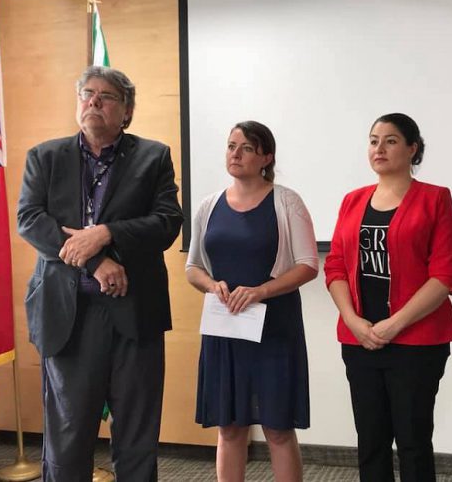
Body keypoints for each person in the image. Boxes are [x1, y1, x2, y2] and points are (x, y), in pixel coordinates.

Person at [17, 66, 183, 481]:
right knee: (68, 435)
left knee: (137, 437)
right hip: (68, 316)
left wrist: (106, 233)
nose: (94, 102)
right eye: (87, 94)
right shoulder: (45, 156)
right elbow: (30, 220)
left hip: (134, 315)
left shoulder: (153, 156)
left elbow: (167, 222)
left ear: (126, 111)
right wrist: (94, 258)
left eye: (106, 96)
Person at [324, 113, 452, 482]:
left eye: (391, 141)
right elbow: (335, 266)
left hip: (416, 343)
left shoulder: (435, 199)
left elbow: (445, 275)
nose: (379, 149)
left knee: (414, 442)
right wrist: (354, 321)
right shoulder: (352, 201)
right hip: (359, 340)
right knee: (371, 441)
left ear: (412, 149)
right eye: (373, 140)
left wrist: (393, 325)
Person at [186, 121, 318, 482]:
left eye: (245, 148)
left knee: (277, 427)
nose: (235, 153)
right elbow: (193, 268)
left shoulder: (286, 201)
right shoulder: (208, 205)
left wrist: (260, 291)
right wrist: (212, 286)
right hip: (224, 328)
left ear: (266, 157)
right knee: (229, 427)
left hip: (274, 328)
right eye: (231, 146)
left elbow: (308, 266)